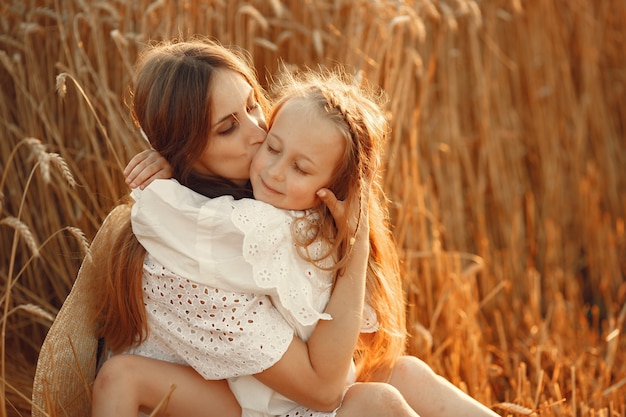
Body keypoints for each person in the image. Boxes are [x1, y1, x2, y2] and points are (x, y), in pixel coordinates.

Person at [91, 38, 419, 417]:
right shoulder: (196, 258)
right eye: (228, 128)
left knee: (405, 373)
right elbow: (323, 391)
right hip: (242, 402)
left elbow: (361, 340)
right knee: (379, 403)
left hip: (257, 394)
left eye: (251, 106)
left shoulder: (262, 204)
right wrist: (356, 242)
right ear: (185, 150)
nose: (259, 132)